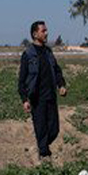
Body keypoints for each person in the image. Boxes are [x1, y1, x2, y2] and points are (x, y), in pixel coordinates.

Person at [18, 21, 67, 162]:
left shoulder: (48, 52)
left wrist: (61, 85)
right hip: (37, 98)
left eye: (46, 30)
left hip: (51, 96)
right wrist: (24, 99)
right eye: (43, 31)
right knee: (41, 129)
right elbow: (22, 80)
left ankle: (41, 148)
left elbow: (57, 71)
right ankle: (44, 157)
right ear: (35, 34)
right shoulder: (28, 54)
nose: (46, 33)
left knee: (54, 129)